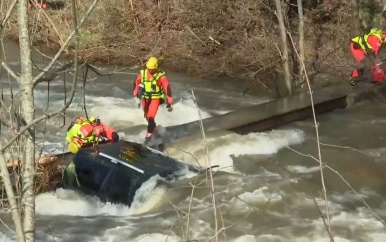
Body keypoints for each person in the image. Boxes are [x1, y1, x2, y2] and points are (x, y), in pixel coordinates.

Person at [133, 57, 173, 143]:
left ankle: (148, 138)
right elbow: (136, 82)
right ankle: (156, 132)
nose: (150, 71)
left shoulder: (161, 77)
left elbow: (167, 89)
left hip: (155, 99)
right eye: (149, 69)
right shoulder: (143, 74)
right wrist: (135, 95)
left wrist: (170, 102)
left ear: (156, 67)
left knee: (151, 118)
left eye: (152, 69)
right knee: (148, 119)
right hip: (145, 98)